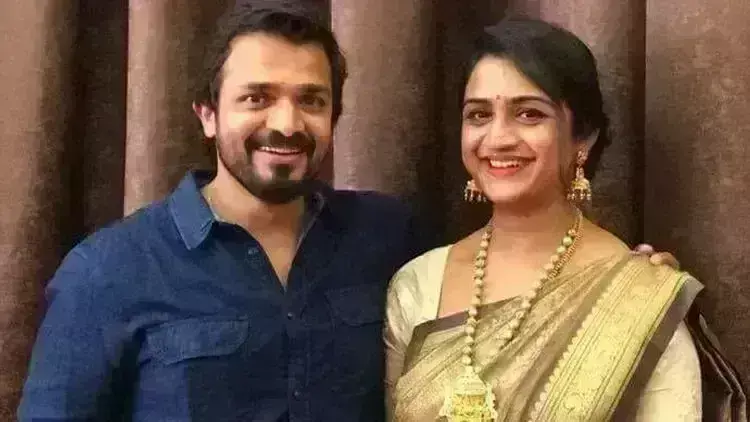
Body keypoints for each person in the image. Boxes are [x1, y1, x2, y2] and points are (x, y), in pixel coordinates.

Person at [17, 3, 683, 421]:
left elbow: (522, 293)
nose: (286, 123)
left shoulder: (388, 240)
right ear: (207, 114)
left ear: (335, 116)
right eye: (257, 98)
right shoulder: (108, 273)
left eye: (310, 100)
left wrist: (623, 289)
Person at [384, 17, 746, 422]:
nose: (498, 138)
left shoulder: (640, 300)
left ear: (583, 137)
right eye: (479, 115)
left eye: (529, 114)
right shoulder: (417, 284)